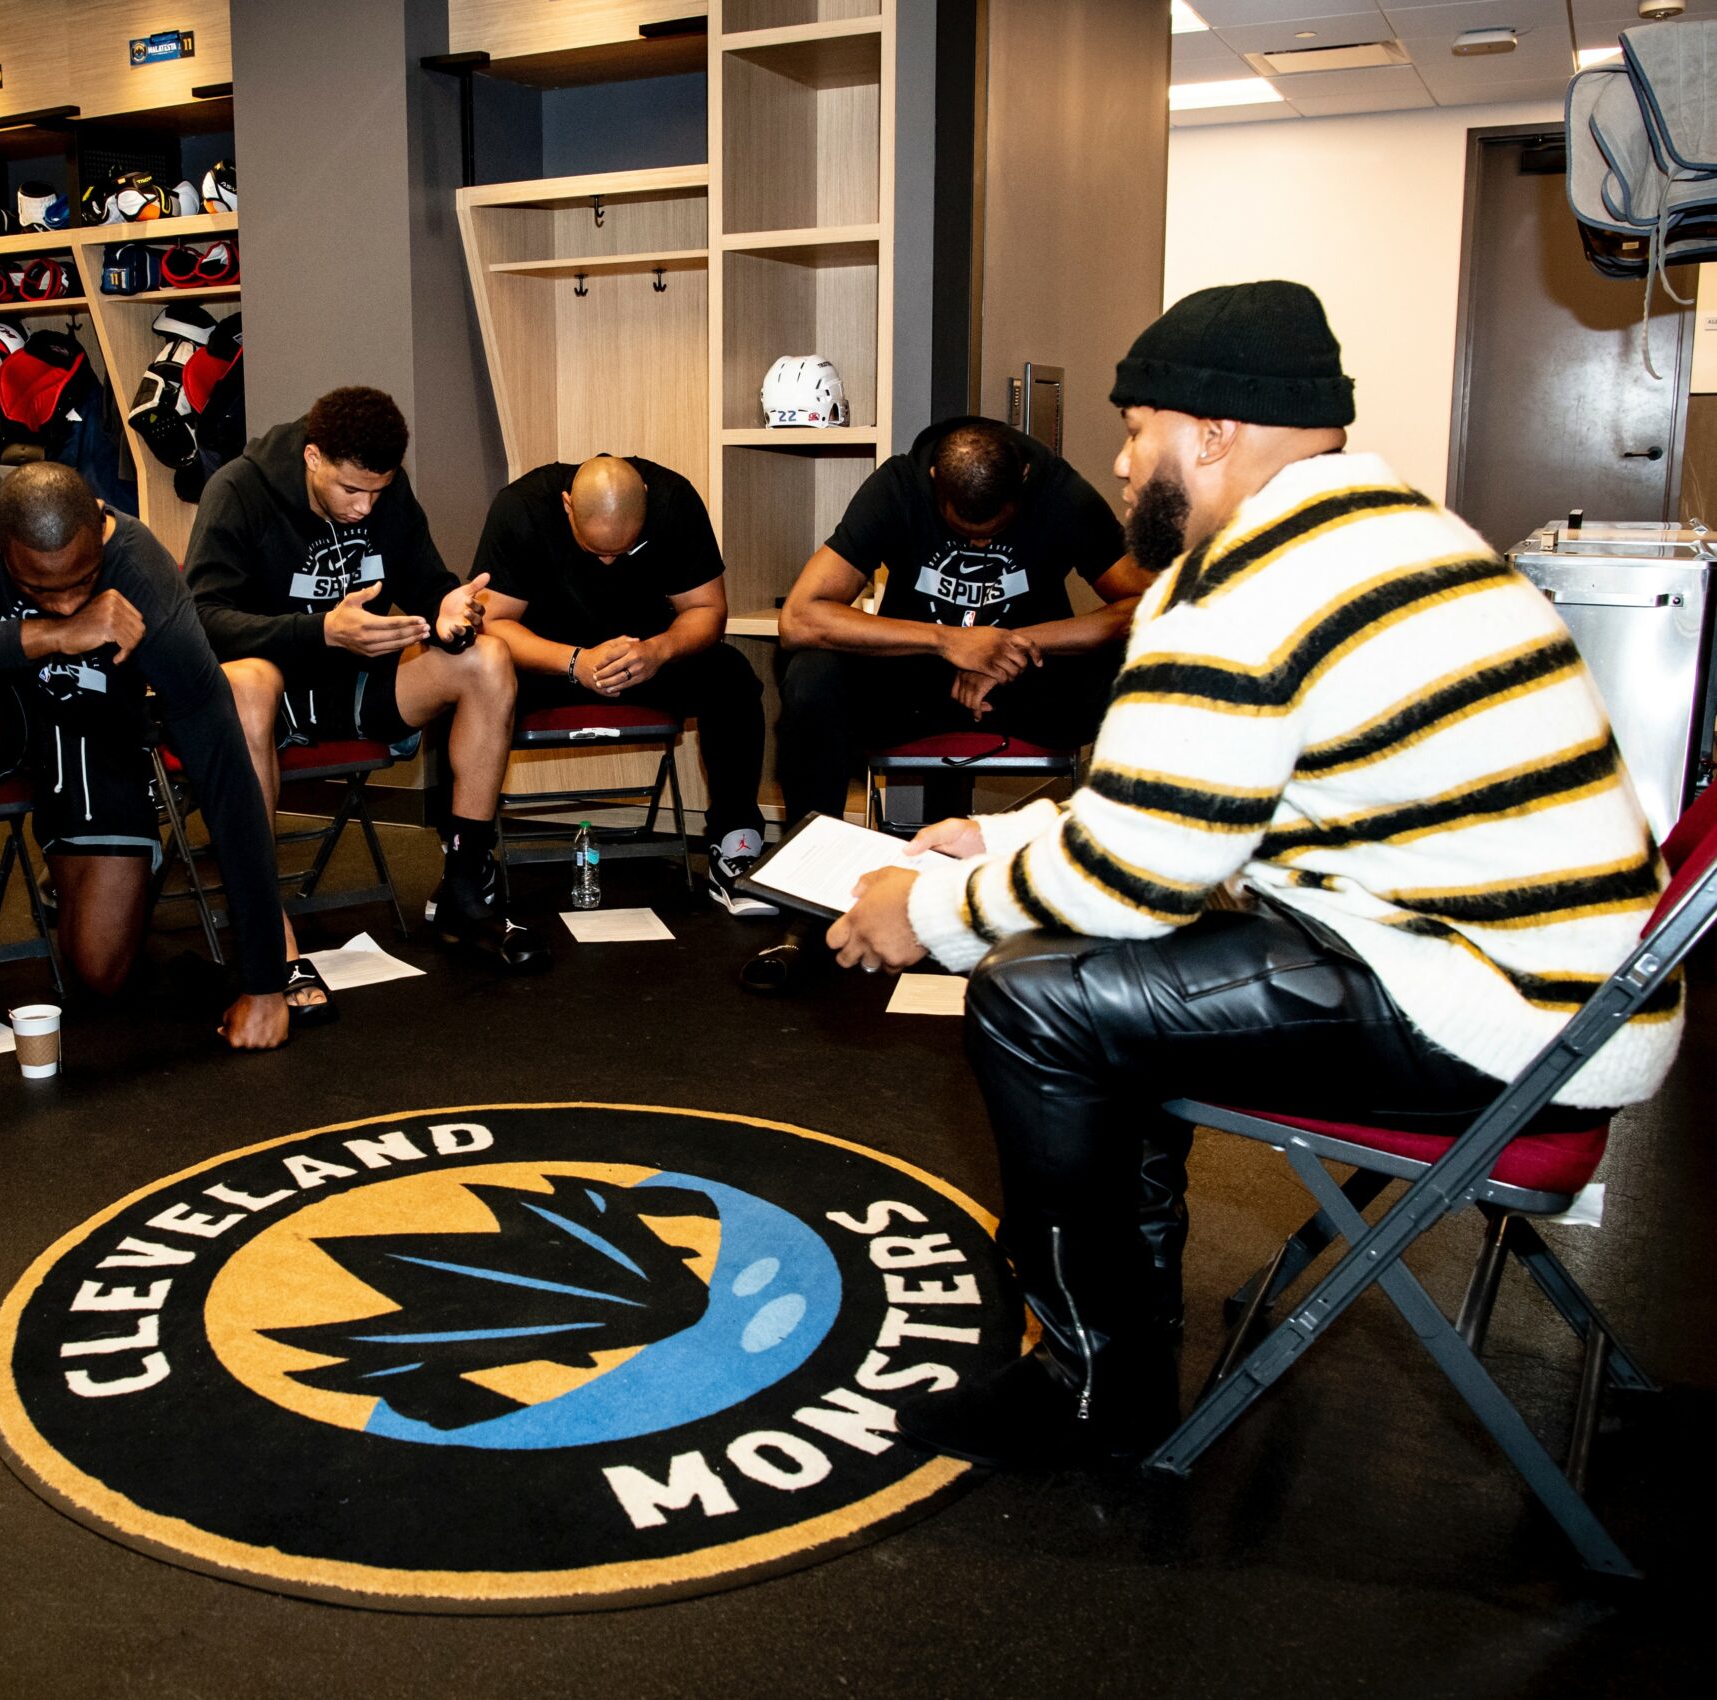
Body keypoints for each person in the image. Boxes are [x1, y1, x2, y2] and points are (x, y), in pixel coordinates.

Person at [821, 281, 1683, 1469]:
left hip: (1508, 1011)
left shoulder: (1241, 577)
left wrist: (925, 911)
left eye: (1138, 431)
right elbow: (1205, 808)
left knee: (1034, 999)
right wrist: (1006, 842)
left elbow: (1135, 877)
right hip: (1564, 988)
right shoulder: (1398, 530)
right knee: (1113, 974)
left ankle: (1090, 1382)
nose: (1121, 464)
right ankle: (1132, 1327)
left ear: (1212, 432)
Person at [0, 461, 290, 1136]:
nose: (68, 602)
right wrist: (42, 636)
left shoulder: (145, 576)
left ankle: (105, 906)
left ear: (101, 530)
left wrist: (265, 982)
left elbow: (226, 771)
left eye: (82, 582)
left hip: (93, 729)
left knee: (103, 976)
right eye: (38, 588)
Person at [746, 416, 1152, 991]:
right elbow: (801, 617)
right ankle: (810, 899)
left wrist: (1009, 646)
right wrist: (947, 642)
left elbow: (1148, 601)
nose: (980, 544)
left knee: (1142, 658)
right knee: (811, 671)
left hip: (1028, 677)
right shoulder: (898, 487)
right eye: (964, 529)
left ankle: (1110, 884)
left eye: (995, 530)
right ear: (936, 481)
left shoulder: (1061, 493)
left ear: (1024, 480)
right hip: (918, 678)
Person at [186, 386, 546, 1004]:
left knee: (488, 660)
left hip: (352, 686)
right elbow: (202, 618)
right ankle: (269, 938)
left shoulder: (387, 494)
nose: (364, 506)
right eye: (351, 490)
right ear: (313, 457)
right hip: (267, 691)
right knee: (249, 684)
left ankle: (463, 893)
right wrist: (320, 630)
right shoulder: (239, 490)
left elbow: (428, 583)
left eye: (377, 492)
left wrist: (453, 612)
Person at [470, 454, 773, 915]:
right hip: (549, 661)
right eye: (594, 550)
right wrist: (574, 662)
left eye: (623, 549)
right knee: (469, 679)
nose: (609, 560)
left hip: (645, 658)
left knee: (731, 675)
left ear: (646, 502)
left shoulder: (674, 499)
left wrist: (659, 650)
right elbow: (494, 622)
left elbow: (708, 610)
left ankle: (736, 845)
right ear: (567, 505)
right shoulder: (522, 507)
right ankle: (467, 858)